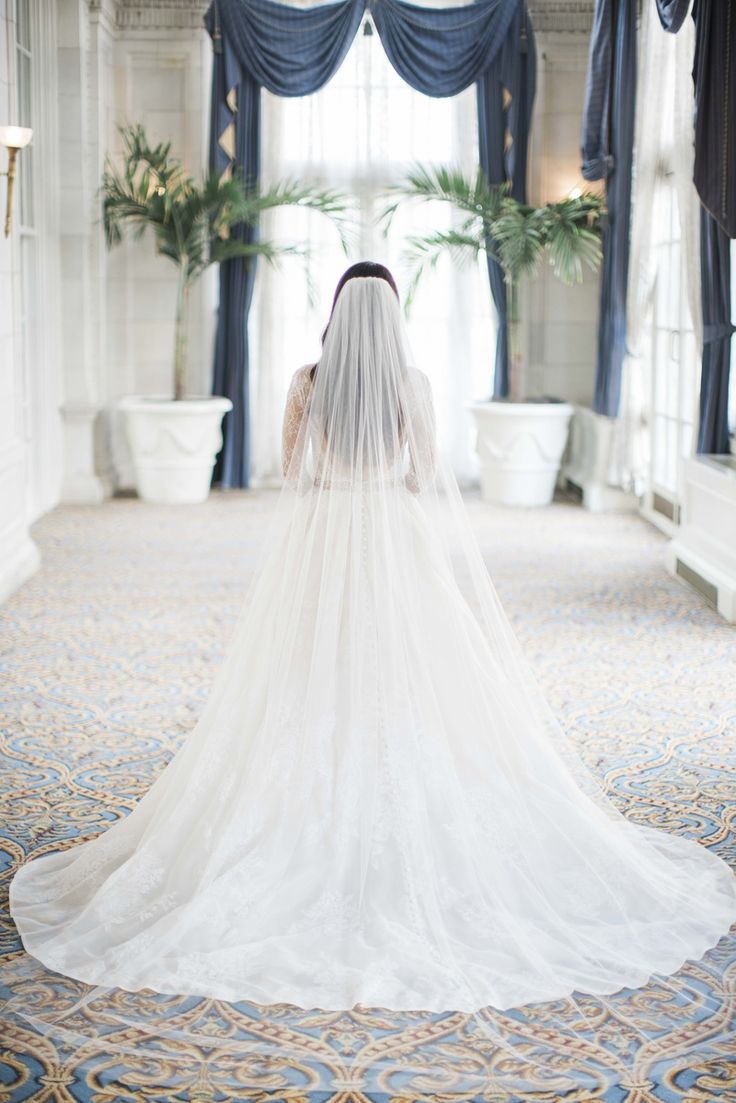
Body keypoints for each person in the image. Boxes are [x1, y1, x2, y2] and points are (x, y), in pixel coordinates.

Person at [7, 263, 736, 1088]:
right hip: (395, 549)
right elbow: (424, 477)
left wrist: (335, 477)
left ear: (335, 317)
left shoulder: (305, 382)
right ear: (390, 318)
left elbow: (294, 473)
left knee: (306, 684)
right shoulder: (414, 386)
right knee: (415, 682)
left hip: (323, 546)